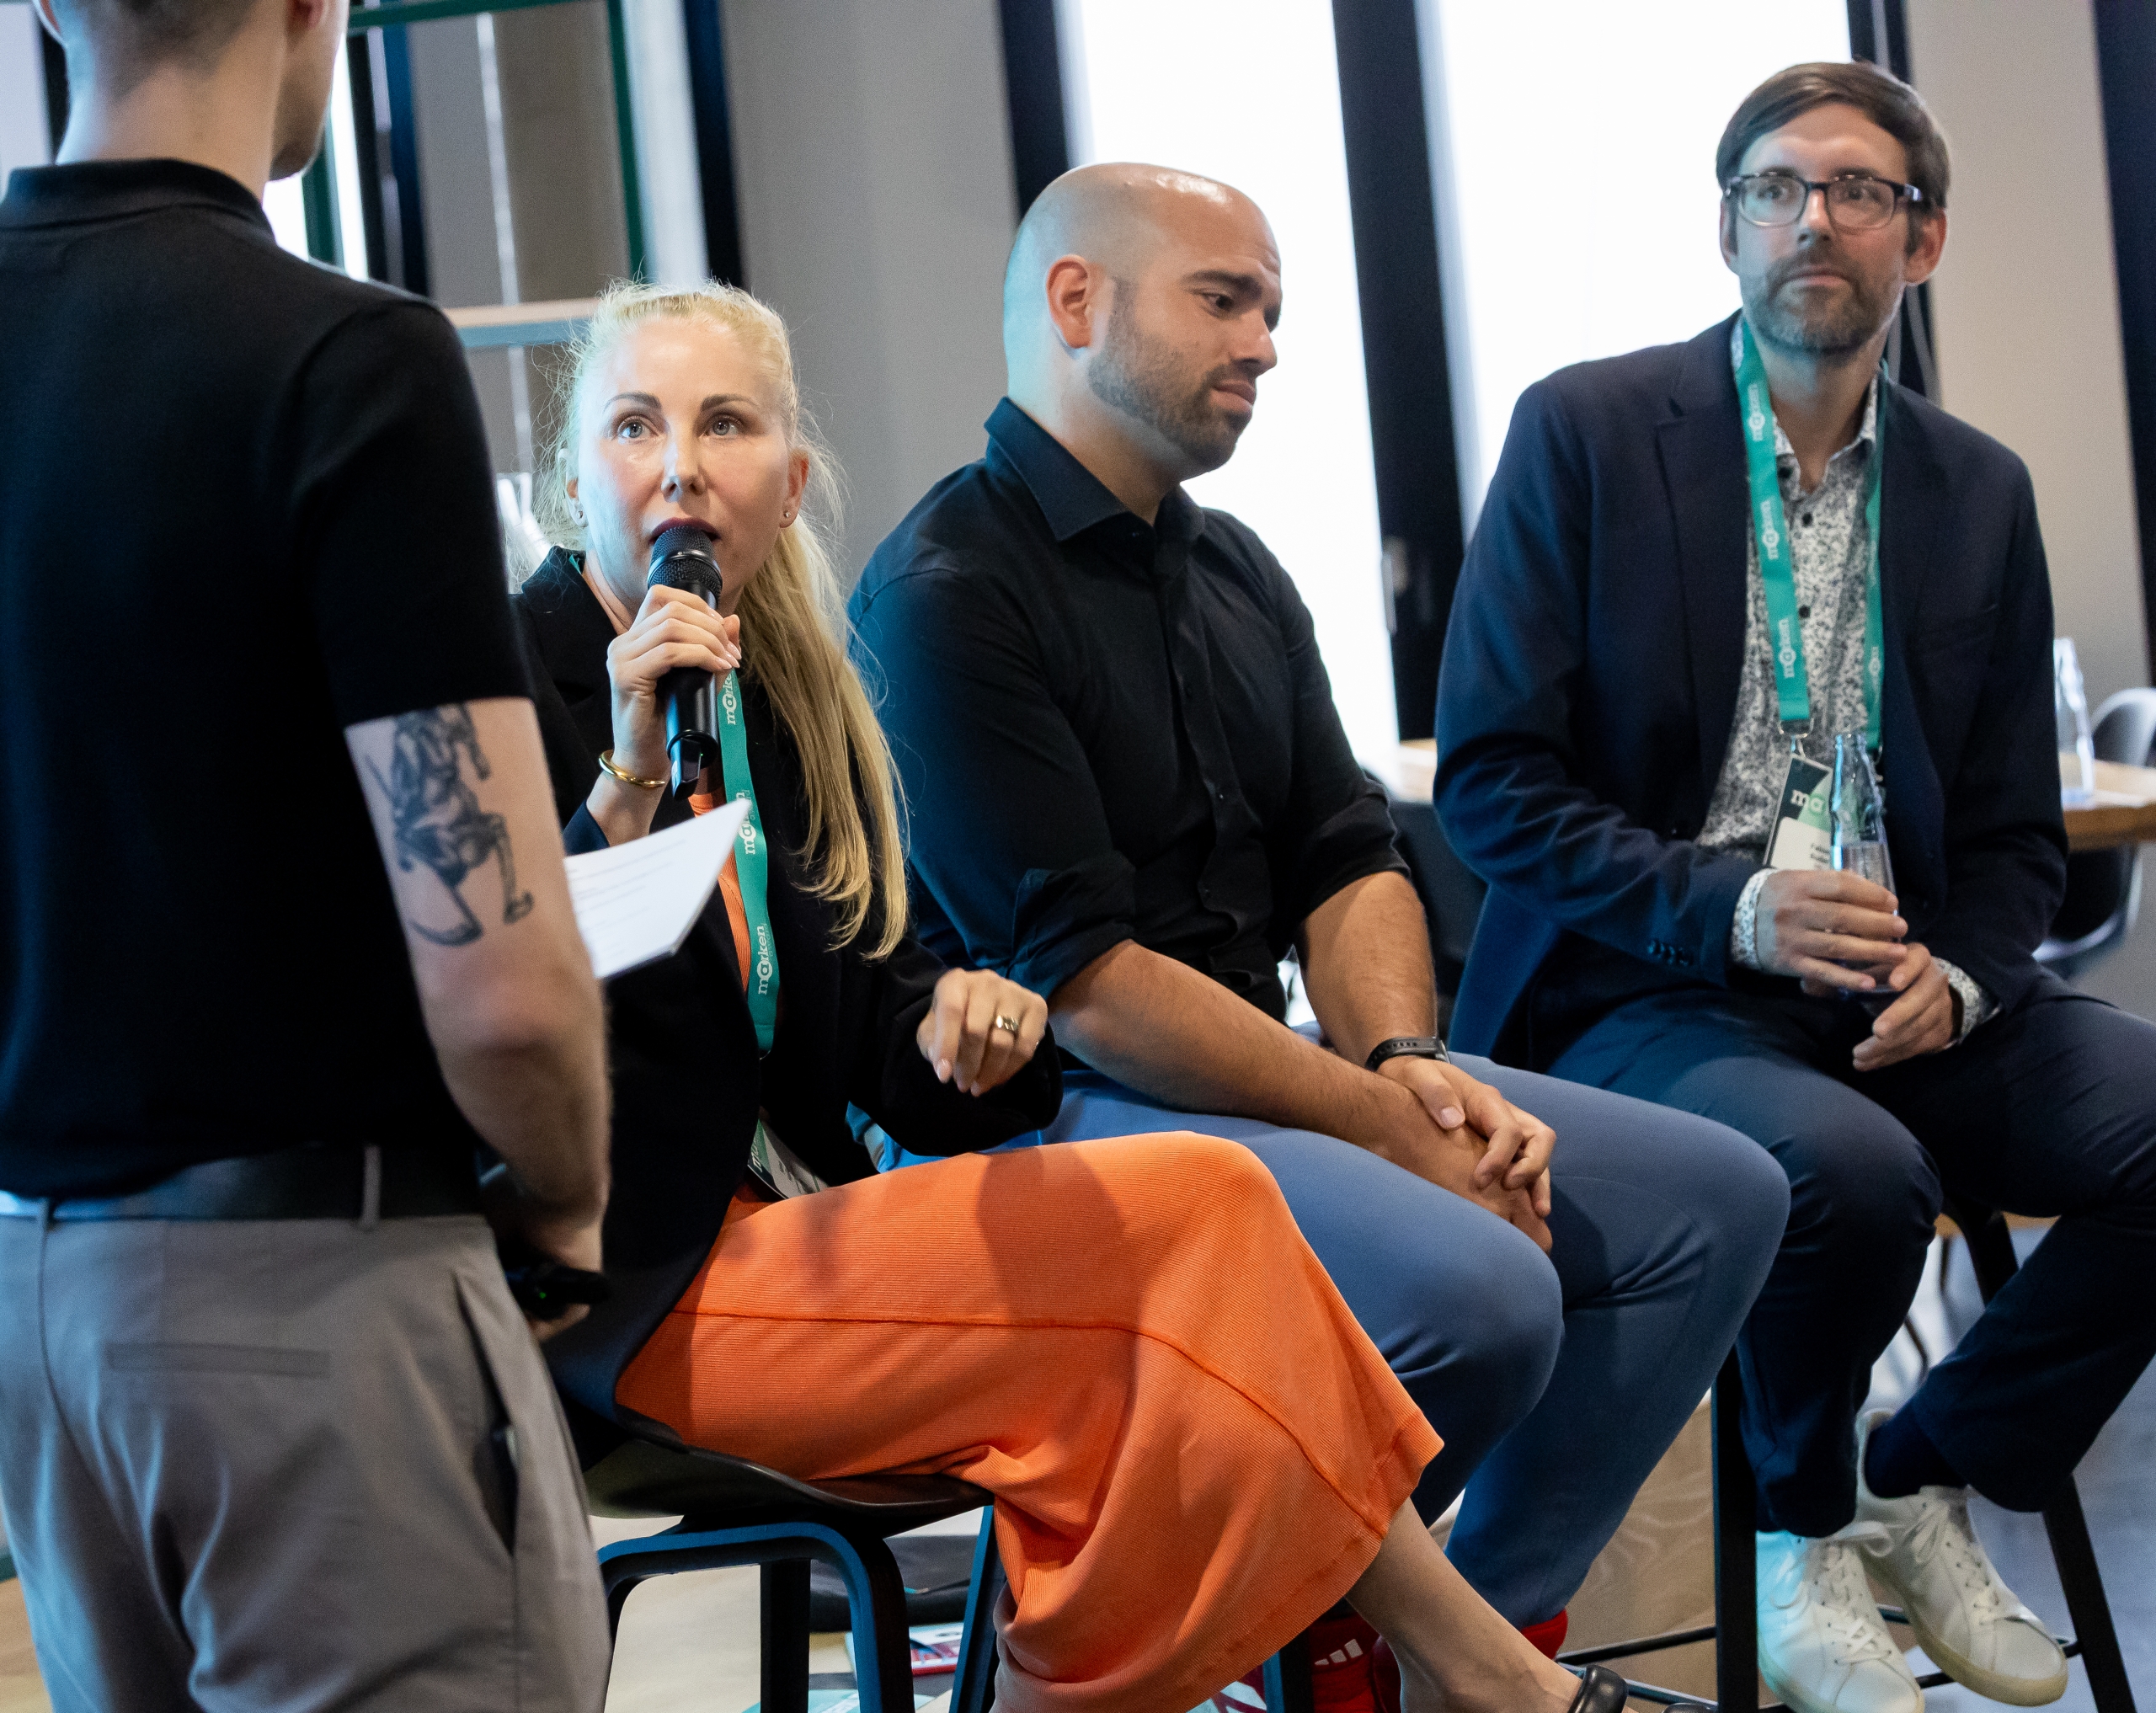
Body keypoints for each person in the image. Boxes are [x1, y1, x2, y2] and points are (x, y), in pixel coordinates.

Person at [514, 278, 1639, 1713]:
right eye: (635, 426)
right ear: (573, 482)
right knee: (1187, 1238)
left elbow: (882, 1042)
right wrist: (621, 780)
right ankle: (1478, 1675)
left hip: (793, 1229)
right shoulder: (509, 682)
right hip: (634, 1285)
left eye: (724, 425)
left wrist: (973, 1029)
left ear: (787, 488)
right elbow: (490, 1010)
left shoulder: (780, 710)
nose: (679, 467)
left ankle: (1205, 1684)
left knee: (1188, 1288)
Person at [846, 160, 1791, 1694]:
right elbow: (1086, 984)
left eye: (1272, 308)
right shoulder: (945, 590)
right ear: (1077, 302)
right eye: (1224, 300)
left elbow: (1349, 856)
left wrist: (1409, 1064)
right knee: (1483, 1293)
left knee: (1719, 1199)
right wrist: (1378, 1123)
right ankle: (1333, 1640)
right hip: (1051, 1114)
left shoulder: (1232, 565)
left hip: (1254, 1072)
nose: (1267, 344)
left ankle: (1474, 1646)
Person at [1435, 58, 2156, 1713]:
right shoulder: (1588, 434)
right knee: (1850, 1176)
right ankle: (1799, 1525)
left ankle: (1915, 1474)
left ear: (1924, 239)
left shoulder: (1976, 489)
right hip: (1651, 987)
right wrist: (1732, 904)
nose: (1813, 219)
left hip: (1901, 995)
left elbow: (2012, 831)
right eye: (1776, 187)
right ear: (1727, 227)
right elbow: (1491, 784)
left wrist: (1963, 975)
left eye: (1858, 191)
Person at [0, 0, 614, 1704]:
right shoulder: (343, 359)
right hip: (317, 1295)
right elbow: (500, 983)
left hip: (38, 1310)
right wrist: (563, 1196)